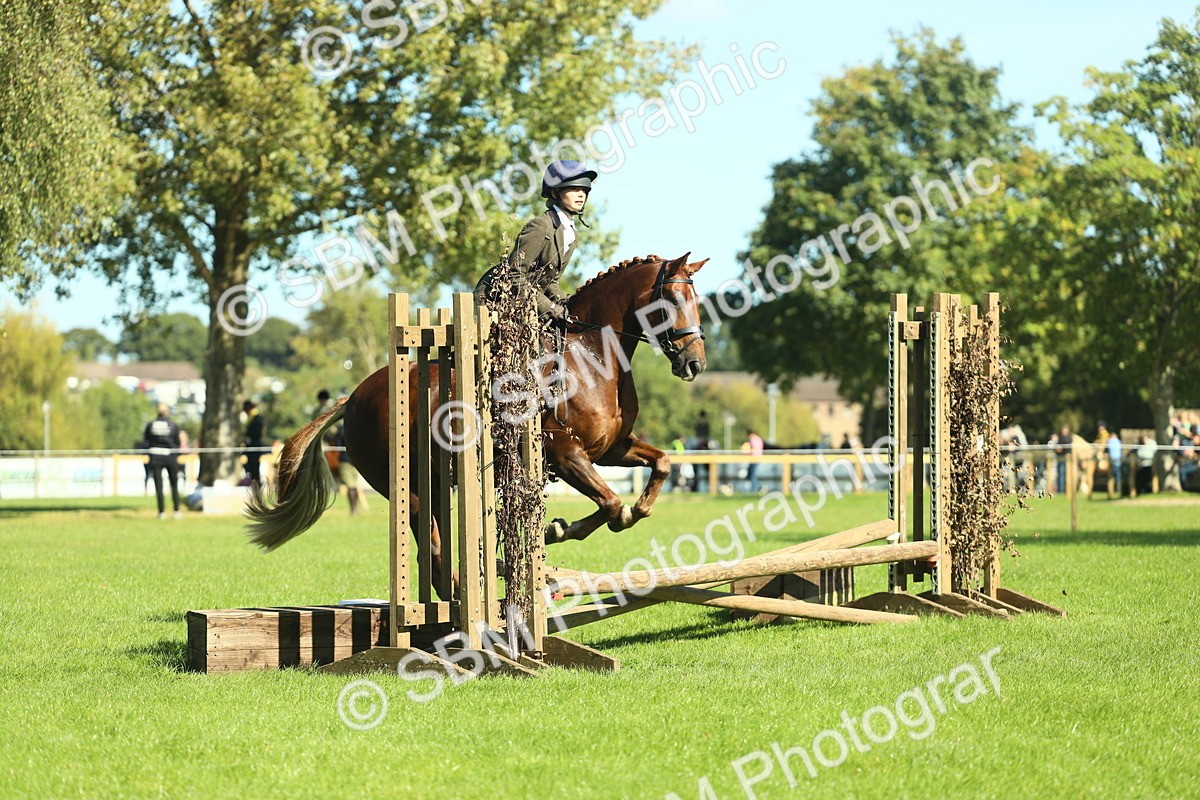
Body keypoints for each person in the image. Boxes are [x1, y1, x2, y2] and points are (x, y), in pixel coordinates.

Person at [474, 159, 597, 326]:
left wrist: (568, 303)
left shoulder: (570, 232)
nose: (581, 194)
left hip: (527, 306)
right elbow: (514, 274)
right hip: (495, 307)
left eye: (584, 190)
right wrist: (551, 308)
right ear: (555, 193)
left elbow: (550, 280)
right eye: (574, 188)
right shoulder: (540, 225)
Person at [143, 403, 182, 519]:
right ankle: (177, 511)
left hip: (155, 456)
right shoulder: (173, 425)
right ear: (167, 412)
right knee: (174, 484)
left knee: (158, 485)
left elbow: (146, 440)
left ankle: (161, 512)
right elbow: (177, 441)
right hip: (170, 456)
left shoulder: (151, 424)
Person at [243, 400, 265, 486]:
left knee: (254, 467)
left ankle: (257, 484)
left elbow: (255, 433)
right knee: (251, 467)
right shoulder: (252, 418)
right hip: (251, 448)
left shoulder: (257, 418)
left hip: (255, 447)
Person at [745, 429, 764, 493]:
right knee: (752, 474)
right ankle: (757, 487)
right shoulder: (758, 439)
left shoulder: (753, 439)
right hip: (757, 458)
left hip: (754, 458)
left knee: (752, 474)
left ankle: (755, 488)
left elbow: (751, 449)